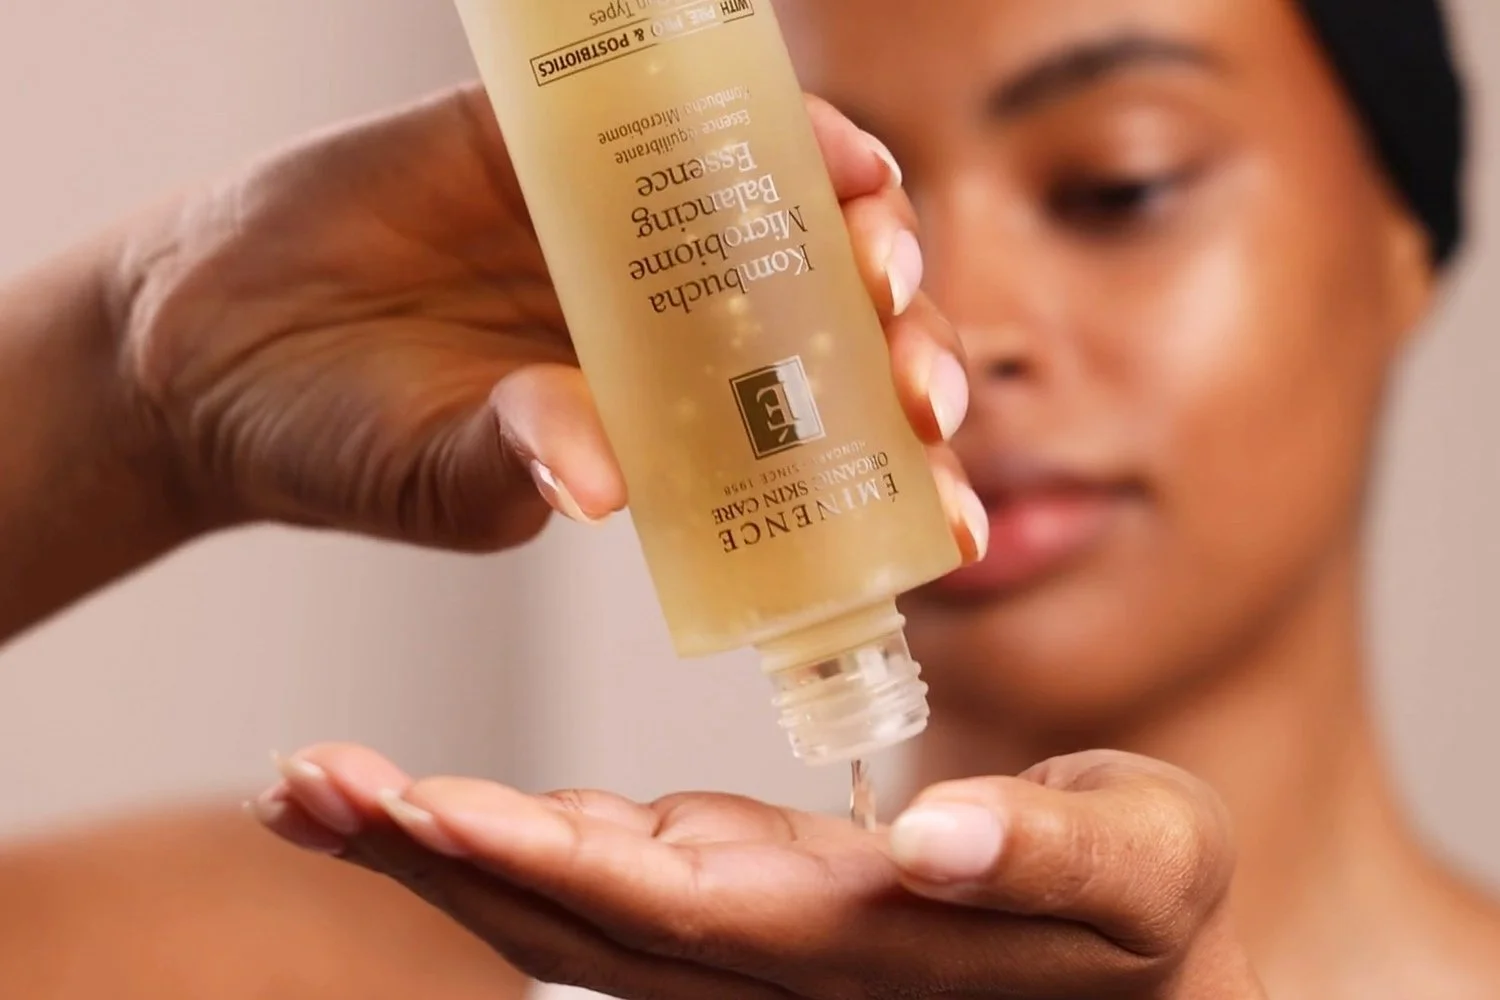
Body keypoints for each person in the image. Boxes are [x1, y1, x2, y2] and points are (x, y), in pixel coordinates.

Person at [0, 0, 1484, 997]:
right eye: (801, 198)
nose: (964, 313)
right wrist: (137, 386)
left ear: (1409, 233)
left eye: (1117, 186)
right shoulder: (308, 955)